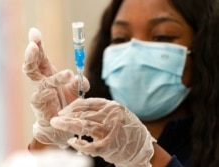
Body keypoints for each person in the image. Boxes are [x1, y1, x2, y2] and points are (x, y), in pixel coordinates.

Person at [23, 0, 219, 166]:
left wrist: (146, 156)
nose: (133, 52)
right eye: (120, 38)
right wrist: (48, 141)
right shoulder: (90, 149)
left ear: (206, 48)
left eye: (162, 36)